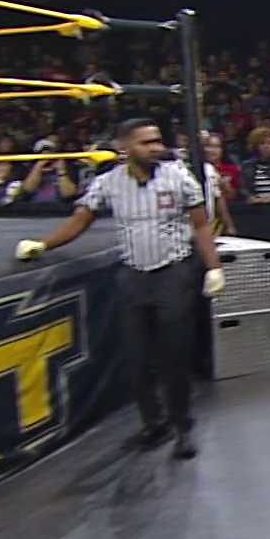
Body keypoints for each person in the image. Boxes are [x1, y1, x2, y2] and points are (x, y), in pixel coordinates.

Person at [16, 118, 226, 459]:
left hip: (173, 273)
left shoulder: (178, 177)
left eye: (157, 140)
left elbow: (200, 225)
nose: (156, 147)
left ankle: (182, 428)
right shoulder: (108, 184)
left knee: (174, 357)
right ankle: (153, 425)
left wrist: (213, 267)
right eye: (146, 142)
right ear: (125, 148)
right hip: (133, 275)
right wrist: (43, 245)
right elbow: (80, 222)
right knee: (136, 358)